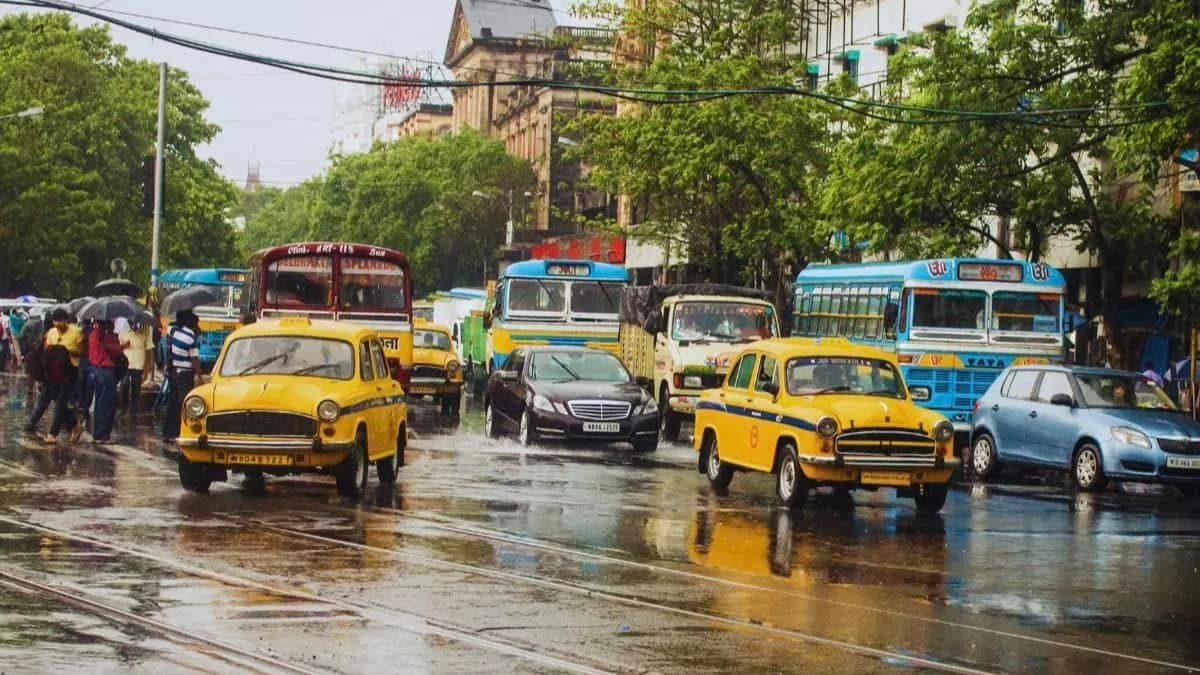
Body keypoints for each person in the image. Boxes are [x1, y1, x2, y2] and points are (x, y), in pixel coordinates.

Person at [23, 309, 80, 443]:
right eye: (56, 320)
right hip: (52, 371)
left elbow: (82, 351)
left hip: (69, 371)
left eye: (61, 320)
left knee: (60, 402)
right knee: (46, 399)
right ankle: (73, 425)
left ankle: (53, 434)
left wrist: (66, 350)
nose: (58, 323)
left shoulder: (76, 332)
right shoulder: (51, 333)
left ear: (66, 320)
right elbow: (46, 350)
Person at [161, 311, 206, 443]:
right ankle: (181, 431)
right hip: (185, 375)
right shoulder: (190, 336)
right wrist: (200, 377)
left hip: (174, 372)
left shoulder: (173, 330)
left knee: (173, 403)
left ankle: (168, 432)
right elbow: (194, 360)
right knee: (184, 404)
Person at [88, 319, 123, 444]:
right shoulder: (104, 335)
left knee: (99, 403)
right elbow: (117, 349)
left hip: (96, 370)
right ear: (106, 322)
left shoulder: (93, 334)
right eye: (111, 321)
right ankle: (102, 435)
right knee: (107, 404)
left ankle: (98, 433)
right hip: (106, 371)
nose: (113, 324)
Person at [119, 317, 152, 416]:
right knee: (124, 384)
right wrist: (124, 345)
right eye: (131, 322)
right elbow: (118, 349)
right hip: (126, 365)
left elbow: (149, 351)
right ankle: (124, 407)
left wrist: (147, 367)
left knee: (136, 388)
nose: (133, 324)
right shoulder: (123, 333)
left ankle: (134, 410)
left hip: (138, 365)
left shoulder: (144, 334)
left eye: (134, 322)